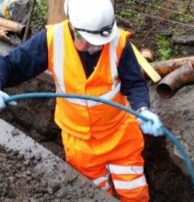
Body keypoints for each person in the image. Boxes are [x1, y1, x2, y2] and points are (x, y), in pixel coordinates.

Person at [0, 0, 163, 201]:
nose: (95, 48)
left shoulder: (119, 43)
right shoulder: (52, 40)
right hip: (79, 143)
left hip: (120, 135)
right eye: (88, 41)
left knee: (134, 191)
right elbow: (11, 66)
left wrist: (143, 109)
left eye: (99, 43)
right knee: (96, 195)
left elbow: (135, 84)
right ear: (72, 27)